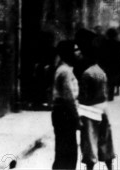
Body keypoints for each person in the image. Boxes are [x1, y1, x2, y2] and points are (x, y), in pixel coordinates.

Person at [76, 31, 115, 170]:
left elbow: (83, 93)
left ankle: (90, 165)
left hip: (89, 106)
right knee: (105, 135)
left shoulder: (83, 64)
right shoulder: (99, 65)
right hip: (102, 104)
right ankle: (109, 164)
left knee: (89, 137)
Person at [51, 40, 80, 170]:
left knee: (62, 150)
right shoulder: (66, 71)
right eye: (75, 50)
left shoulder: (63, 68)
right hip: (65, 112)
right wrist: (77, 117)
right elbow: (69, 98)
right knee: (68, 152)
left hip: (60, 112)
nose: (78, 53)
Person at [99, 28, 120, 101]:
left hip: (106, 63)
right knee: (113, 79)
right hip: (116, 64)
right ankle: (110, 95)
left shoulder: (104, 43)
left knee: (107, 78)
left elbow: (100, 54)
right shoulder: (119, 44)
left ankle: (107, 92)